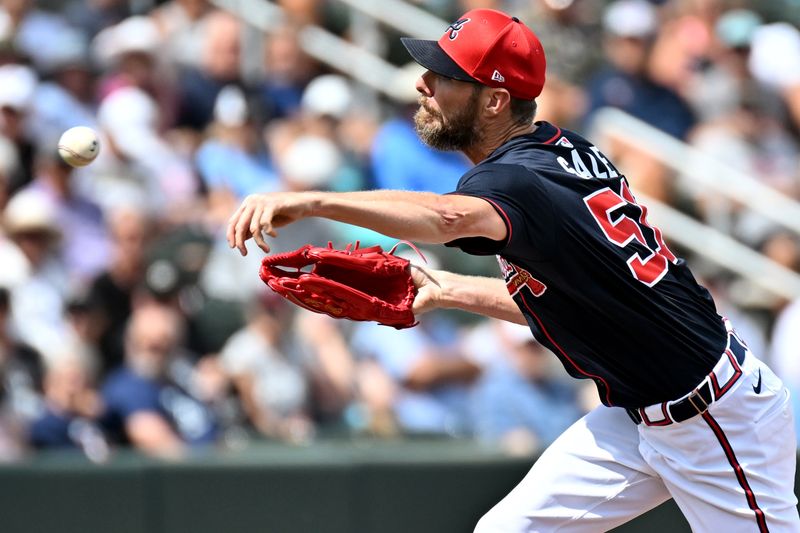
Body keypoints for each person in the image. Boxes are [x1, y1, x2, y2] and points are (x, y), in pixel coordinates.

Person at [226, 8, 799, 532]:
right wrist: (448, 288)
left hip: (714, 418)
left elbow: (448, 216)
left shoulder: (513, 180)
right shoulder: (559, 149)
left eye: (445, 76)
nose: (423, 83)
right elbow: (568, 304)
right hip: (640, 415)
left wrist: (314, 202)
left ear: (495, 100)